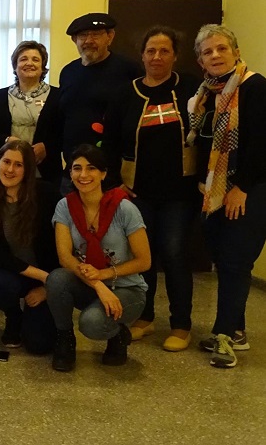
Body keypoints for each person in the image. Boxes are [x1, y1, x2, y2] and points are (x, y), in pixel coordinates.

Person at [103, 26, 199, 352]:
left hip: (180, 194)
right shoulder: (124, 94)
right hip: (136, 192)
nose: (157, 57)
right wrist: (116, 184)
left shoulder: (191, 88)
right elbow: (110, 145)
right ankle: (144, 317)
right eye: (151, 51)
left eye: (164, 51)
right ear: (142, 55)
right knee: (143, 257)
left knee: (173, 254)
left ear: (175, 55)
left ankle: (181, 323)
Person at [186, 24, 266, 369]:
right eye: (207, 52)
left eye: (221, 49)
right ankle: (237, 330)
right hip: (213, 191)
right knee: (224, 259)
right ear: (201, 60)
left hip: (247, 190)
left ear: (235, 51)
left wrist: (241, 187)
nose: (215, 55)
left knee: (235, 261)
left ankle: (222, 337)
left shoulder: (255, 87)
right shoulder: (205, 93)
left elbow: (262, 144)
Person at [46, 144, 150, 372]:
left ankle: (119, 333)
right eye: (77, 168)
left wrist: (104, 275)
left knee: (91, 324)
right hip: (90, 284)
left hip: (126, 288)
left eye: (91, 168)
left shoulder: (124, 208)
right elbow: (65, 258)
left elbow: (144, 261)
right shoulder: (65, 206)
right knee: (56, 279)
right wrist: (99, 286)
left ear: (103, 174)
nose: (83, 175)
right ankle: (65, 339)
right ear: (70, 173)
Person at [0, 140, 59, 353]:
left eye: (18, 165)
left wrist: (47, 286)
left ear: (28, 170)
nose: (10, 170)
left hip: (48, 275)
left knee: (40, 346)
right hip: (13, 272)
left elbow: (63, 245)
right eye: (6, 162)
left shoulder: (47, 195)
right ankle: (13, 317)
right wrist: (43, 277)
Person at [57, 13, 142, 193]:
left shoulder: (128, 70)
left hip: (113, 174)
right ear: (75, 40)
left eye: (95, 35)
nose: (89, 40)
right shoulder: (68, 72)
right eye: (83, 36)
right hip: (73, 172)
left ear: (110, 37)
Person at [0, 41, 62, 183]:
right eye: (23, 59)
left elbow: (66, 133)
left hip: (45, 175)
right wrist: (7, 140)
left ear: (43, 67)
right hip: (6, 173)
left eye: (35, 59)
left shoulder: (58, 96)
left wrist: (47, 147)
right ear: (15, 67)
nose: (29, 63)